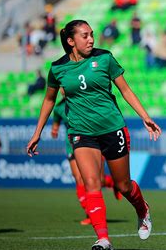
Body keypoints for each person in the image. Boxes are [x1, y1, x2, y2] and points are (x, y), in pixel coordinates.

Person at [26, 20, 162, 250]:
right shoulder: (57, 68)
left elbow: (125, 90)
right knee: (91, 183)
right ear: (71, 41)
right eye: (85, 36)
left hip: (112, 129)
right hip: (81, 133)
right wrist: (38, 133)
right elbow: (49, 100)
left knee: (123, 186)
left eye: (92, 35)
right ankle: (103, 239)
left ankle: (142, 208)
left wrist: (145, 117)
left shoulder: (105, 58)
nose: (91, 39)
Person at [51, 94, 122, 226]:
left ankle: (112, 182)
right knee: (79, 178)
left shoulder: (84, 100)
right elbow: (55, 124)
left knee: (97, 181)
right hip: (72, 146)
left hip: (92, 143)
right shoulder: (59, 108)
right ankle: (90, 213)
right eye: (60, 86)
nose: (62, 88)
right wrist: (54, 130)